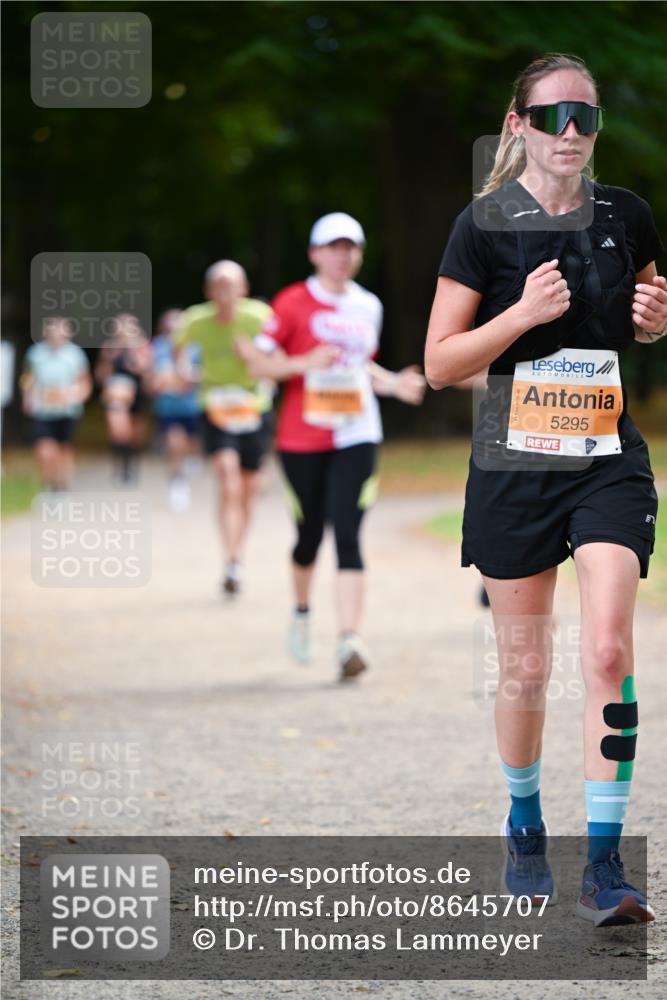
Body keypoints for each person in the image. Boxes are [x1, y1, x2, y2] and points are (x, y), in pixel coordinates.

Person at [425, 53, 665, 925]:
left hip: (605, 458)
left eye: (586, 118)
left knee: (607, 650)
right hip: (513, 468)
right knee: (524, 666)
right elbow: (440, 363)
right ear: (519, 124)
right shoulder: (482, 225)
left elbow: (640, 310)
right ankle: (524, 823)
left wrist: (654, 318)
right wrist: (519, 315)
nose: (573, 132)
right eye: (554, 116)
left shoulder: (626, 216)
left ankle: (605, 865)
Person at [239, 212, 426, 681]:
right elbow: (259, 369)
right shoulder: (291, 302)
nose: (342, 256)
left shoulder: (368, 306)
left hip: (358, 433)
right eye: (333, 247)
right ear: (315, 254)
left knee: (348, 532)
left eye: (351, 248)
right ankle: (302, 611)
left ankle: (349, 640)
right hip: (302, 437)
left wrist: (394, 384)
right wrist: (303, 361)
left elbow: (361, 367)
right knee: (308, 537)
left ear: (359, 255)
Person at [174, 261, 273, 595]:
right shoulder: (195, 320)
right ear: (209, 292)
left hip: (252, 407)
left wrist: (254, 358)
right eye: (219, 286)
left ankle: (237, 556)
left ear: (244, 289)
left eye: (232, 286)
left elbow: (281, 357)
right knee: (226, 476)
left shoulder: (259, 316)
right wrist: (185, 370)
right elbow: (178, 352)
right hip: (215, 406)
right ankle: (229, 559)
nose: (226, 293)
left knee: (247, 490)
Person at [21, 317, 92, 490]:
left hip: (67, 410)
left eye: (60, 329)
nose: (56, 333)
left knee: (62, 449)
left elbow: (84, 382)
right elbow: (27, 378)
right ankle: (48, 484)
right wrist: (26, 397)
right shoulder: (35, 353)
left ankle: (62, 483)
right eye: (52, 328)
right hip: (42, 409)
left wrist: (76, 397)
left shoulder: (75, 354)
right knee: (44, 450)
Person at [148, 308, 202, 512]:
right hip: (167, 408)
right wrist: (156, 382)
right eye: (170, 328)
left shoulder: (196, 348)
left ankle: (191, 461)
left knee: (191, 443)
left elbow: (207, 374)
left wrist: (191, 377)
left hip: (192, 406)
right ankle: (177, 483)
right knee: (174, 442)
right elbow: (149, 377)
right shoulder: (157, 348)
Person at [96, 313, 152, 483]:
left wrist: (133, 356)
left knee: (135, 435)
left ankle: (130, 467)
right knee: (119, 431)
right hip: (116, 395)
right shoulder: (109, 348)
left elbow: (146, 370)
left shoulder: (142, 346)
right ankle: (120, 467)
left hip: (137, 395)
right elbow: (101, 374)